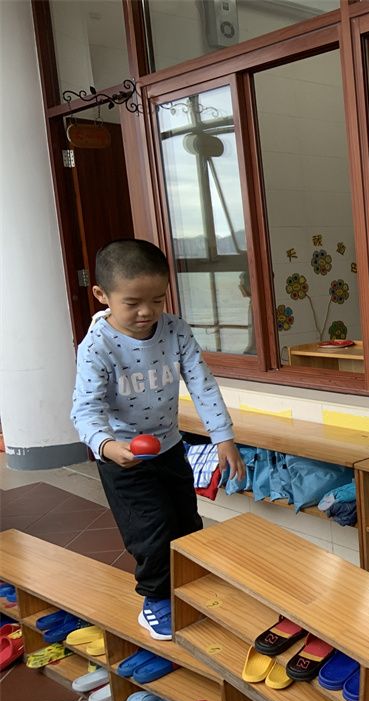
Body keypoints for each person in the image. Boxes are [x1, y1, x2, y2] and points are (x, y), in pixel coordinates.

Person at [71, 239, 245, 642]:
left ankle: (189, 585)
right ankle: (156, 602)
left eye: (157, 299)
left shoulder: (174, 330)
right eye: (132, 303)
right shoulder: (97, 346)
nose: (147, 312)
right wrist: (107, 447)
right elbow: (85, 410)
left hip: (170, 448)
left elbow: (202, 384)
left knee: (186, 521)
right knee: (151, 530)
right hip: (123, 458)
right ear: (102, 295)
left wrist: (223, 437)